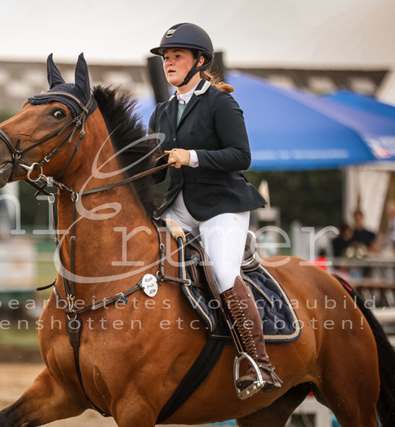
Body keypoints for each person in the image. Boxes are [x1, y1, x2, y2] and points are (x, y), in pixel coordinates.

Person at [148, 23, 280, 394]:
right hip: (179, 206)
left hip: (222, 204)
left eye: (177, 56)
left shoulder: (220, 103)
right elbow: (156, 173)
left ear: (200, 61)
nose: (168, 63)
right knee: (141, 255)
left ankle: (257, 362)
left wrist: (191, 157)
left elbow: (241, 156)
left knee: (222, 272)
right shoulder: (161, 112)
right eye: (166, 57)